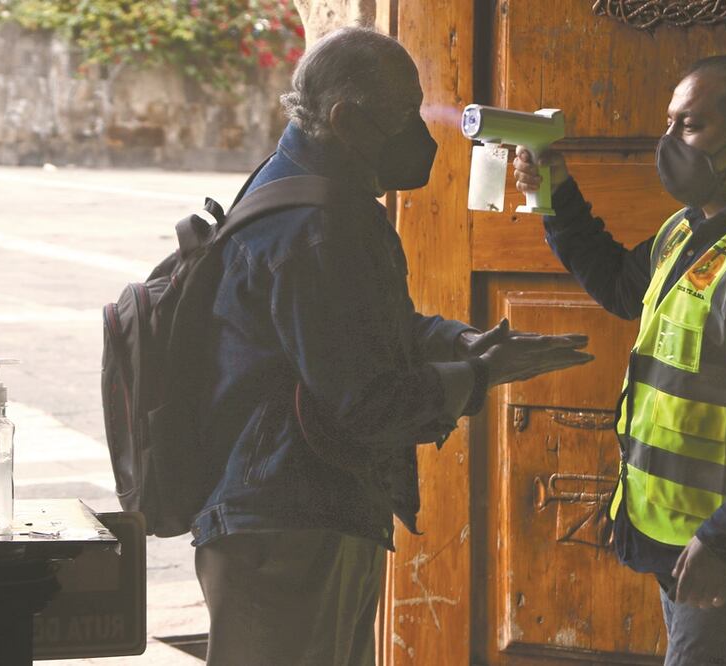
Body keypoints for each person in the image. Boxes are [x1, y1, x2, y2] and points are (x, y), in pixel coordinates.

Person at [192, 27, 592, 666]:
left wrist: (463, 341)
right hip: (288, 517)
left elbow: (379, 329)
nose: (423, 133)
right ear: (346, 118)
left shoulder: (315, 188)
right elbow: (364, 401)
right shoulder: (317, 228)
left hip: (303, 504)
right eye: (405, 114)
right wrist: (478, 375)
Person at [514, 54, 726, 665]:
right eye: (669, 122)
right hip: (683, 537)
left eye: (689, 126)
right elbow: (622, 286)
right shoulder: (688, 230)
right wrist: (555, 196)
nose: (667, 142)